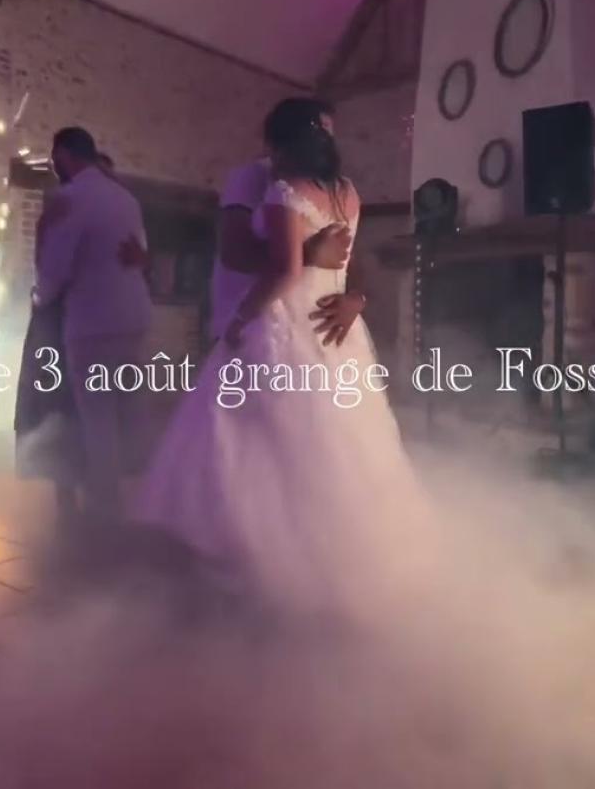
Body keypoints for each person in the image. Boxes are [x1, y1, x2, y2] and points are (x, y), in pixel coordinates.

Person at [132, 101, 435, 621]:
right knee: (312, 441)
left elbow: (297, 269)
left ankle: (278, 560)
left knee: (265, 440)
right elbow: (237, 252)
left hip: (289, 322)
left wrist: (347, 298)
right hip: (322, 333)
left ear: (278, 140)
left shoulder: (287, 190)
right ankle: (292, 555)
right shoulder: (332, 189)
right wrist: (313, 258)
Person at [36, 127, 153, 520]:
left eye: (55, 157)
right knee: (128, 409)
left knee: (97, 415)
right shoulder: (126, 198)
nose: (54, 164)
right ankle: (140, 492)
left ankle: (106, 499)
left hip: (93, 321)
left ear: (65, 154)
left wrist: (39, 297)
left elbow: (55, 268)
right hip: (133, 317)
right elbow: (139, 255)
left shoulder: (69, 199)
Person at [214, 98, 361, 345]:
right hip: (262, 310)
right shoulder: (254, 176)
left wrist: (357, 298)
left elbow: (347, 256)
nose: (325, 138)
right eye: (320, 128)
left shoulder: (328, 188)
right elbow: (234, 253)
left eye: (328, 130)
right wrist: (308, 255)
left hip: (309, 321)